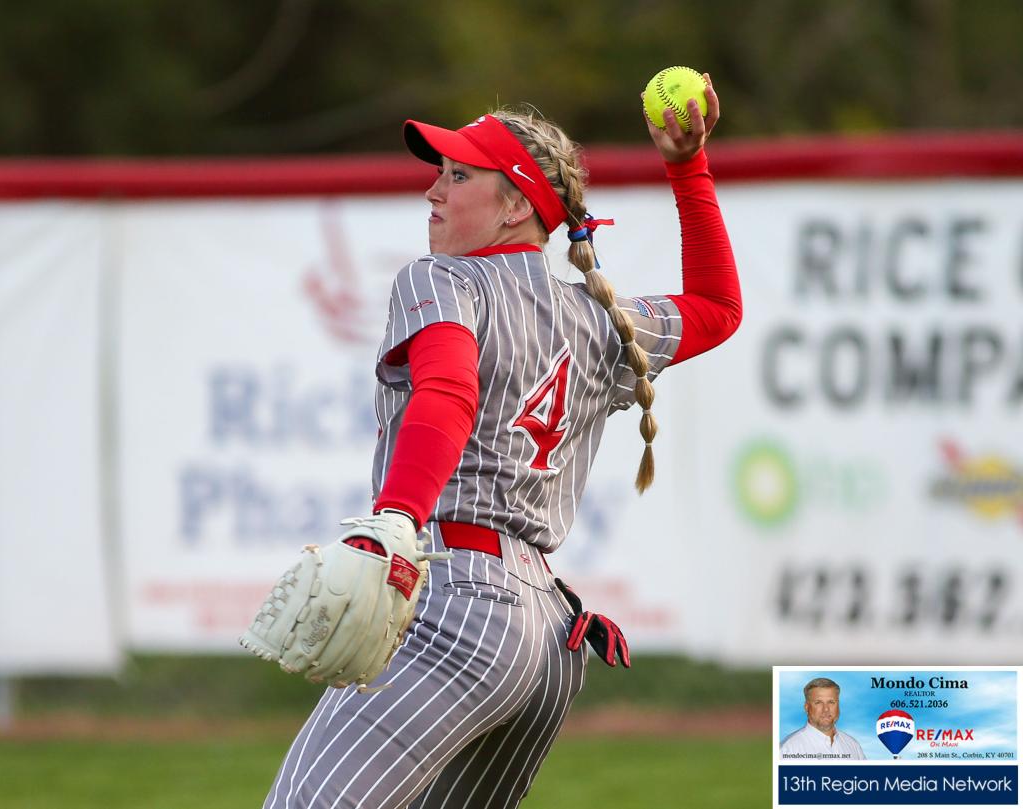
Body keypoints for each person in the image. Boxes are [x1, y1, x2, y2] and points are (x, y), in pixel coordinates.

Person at [263, 77, 741, 808]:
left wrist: (394, 522)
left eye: (459, 176)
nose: (434, 190)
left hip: (452, 602)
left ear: (516, 206)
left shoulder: (444, 279)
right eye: (439, 172)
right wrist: (688, 168)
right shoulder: (598, 320)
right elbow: (717, 307)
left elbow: (448, 391)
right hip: (546, 642)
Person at [780, 677, 867, 759]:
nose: (826, 709)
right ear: (806, 707)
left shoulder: (853, 745)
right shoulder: (788, 749)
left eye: (831, 702)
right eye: (818, 702)